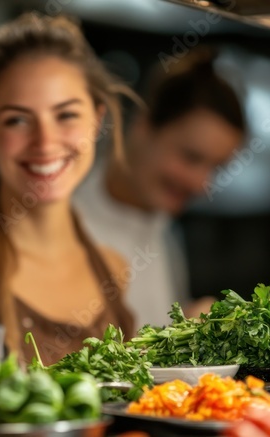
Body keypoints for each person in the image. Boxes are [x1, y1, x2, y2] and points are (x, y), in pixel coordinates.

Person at [0, 12, 136, 366]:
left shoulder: (114, 269)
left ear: (97, 119)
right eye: (18, 120)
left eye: (66, 115)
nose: (45, 142)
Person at [75, 49, 247, 328]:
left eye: (216, 168)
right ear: (144, 126)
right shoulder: (67, 220)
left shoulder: (164, 228)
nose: (202, 184)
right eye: (191, 157)